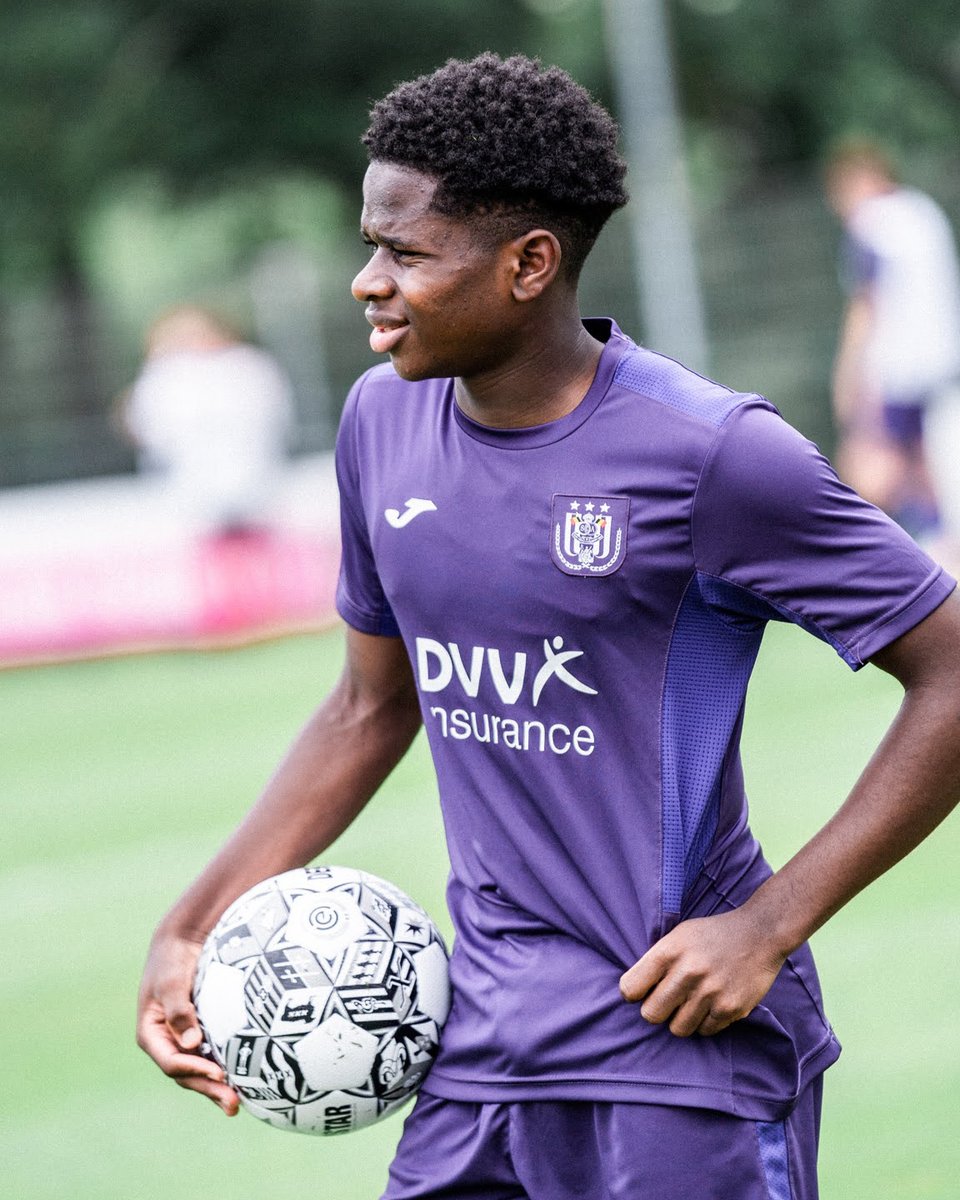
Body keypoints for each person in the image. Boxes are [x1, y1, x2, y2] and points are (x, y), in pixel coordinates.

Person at [137, 55, 960, 1199]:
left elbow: (953, 673)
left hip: (675, 1048)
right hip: (481, 1050)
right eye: (372, 247)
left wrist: (769, 925)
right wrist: (192, 926)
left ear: (529, 264)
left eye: (408, 253)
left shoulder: (714, 457)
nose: (370, 282)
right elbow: (368, 707)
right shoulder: (382, 422)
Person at [825, 139, 960, 541]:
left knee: (865, 467)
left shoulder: (872, 223)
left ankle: (878, 552)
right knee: (931, 468)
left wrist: (846, 379)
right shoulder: (923, 212)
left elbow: (865, 308)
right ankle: (933, 540)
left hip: (896, 372)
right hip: (942, 365)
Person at [122, 305, 294, 537]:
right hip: (229, 495)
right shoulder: (252, 366)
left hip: (232, 495)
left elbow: (149, 432)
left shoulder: (169, 377)